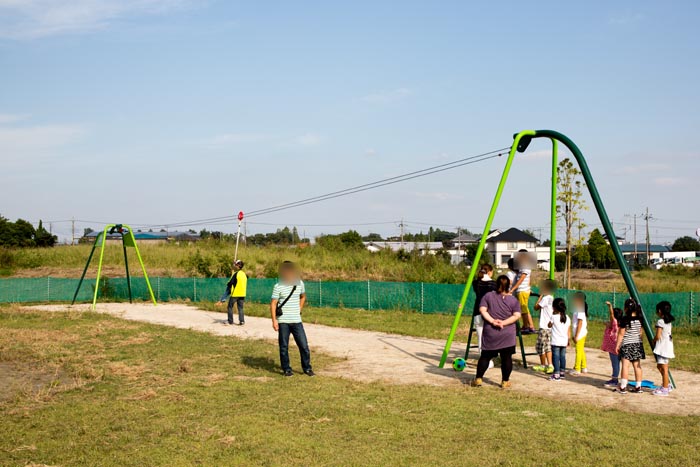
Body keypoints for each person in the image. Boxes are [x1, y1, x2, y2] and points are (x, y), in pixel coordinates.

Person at [470, 275, 522, 389]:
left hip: (491, 333)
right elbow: (517, 315)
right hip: (507, 334)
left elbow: (482, 310)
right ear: (509, 285)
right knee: (506, 358)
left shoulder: (488, 296)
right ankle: (505, 381)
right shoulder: (513, 300)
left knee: (485, 357)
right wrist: (504, 323)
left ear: (496, 284)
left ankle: (478, 379)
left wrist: (493, 321)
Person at [270, 261, 314, 377]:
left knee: (304, 346)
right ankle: (287, 369)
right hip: (283, 321)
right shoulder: (278, 286)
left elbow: (303, 297)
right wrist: (274, 320)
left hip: (296, 321)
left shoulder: (299, 283)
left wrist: (299, 309)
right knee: (284, 347)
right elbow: (273, 303)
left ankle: (307, 368)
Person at [615, 298, 645, 394]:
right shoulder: (640, 319)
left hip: (627, 344)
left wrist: (617, 345)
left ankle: (623, 387)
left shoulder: (625, 319)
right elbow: (641, 332)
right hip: (637, 344)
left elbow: (621, 334)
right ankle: (638, 386)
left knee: (625, 366)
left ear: (626, 308)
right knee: (637, 366)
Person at [472, 264, 497, 369]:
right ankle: (490, 359)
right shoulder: (494, 284)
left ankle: (484, 359)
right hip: (490, 313)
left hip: (478, 312)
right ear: (490, 272)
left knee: (480, 338)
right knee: (491, 337)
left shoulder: (476, 283)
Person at [532, 280, 556, 374]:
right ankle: (549, 365)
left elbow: (536, 307)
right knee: (547, 346)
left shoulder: (545, 298)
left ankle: (544, 365)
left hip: (544, 327)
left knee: (540, 347)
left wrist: (540, 296)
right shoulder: (552, 298)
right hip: (549, 327)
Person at [652, 301, 675, 397]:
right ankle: (667, 384)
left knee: (664, 369)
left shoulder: (660, 322)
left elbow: (658, 335)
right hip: (667, 346)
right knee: (659, 366)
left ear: (660, 311)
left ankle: (665, 389)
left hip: (663, 348)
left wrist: (653, 341)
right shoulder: (668, 321)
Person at [509, 251, 535, 334]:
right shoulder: (523, 266)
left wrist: (513, 289)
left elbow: (522, 278)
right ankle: (530, 326)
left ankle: (526, 326)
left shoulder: (525, 266)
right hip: (524, 289)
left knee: (523, 310)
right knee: (525, 309)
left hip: (522, 290)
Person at [216, 260, 247, 325]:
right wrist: (234, 266)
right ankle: (242, 321)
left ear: (238, 266)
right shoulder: (244, 274)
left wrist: (229, 281)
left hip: (235, 294)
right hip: (242, 294)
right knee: (240, 308)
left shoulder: (236, 274)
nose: (235, 266)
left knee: (230, 307)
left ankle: (230, 321)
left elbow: (230, 283)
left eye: (236, 265)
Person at [601, 301, 623, 387]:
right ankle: (619, 378)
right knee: (617, 363)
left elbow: (612, 316)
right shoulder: (619, 323)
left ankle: (614, 380)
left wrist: (610, 306)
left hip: (614, 347)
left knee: (615, 364)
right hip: (616, 346)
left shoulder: (615, 323)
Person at [548, 298, 571, 381]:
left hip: (555, 341)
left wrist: (552, 316)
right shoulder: (567, 317)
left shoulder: (553, 317)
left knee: (555, 357)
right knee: (562, 357)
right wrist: (569, 340)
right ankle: (562, 373)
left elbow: (549, 325)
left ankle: (556, 374)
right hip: (564, 340)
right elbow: (568, 329)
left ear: (554, 307)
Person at [569, 292, 588, 376]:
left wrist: (576, 336)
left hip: (580, 334)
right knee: (581, 350)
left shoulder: (580, 309)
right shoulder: (578, 308)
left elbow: (580, 323)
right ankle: (583, 367)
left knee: (578, 351)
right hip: (580, 333)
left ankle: (577, 369)